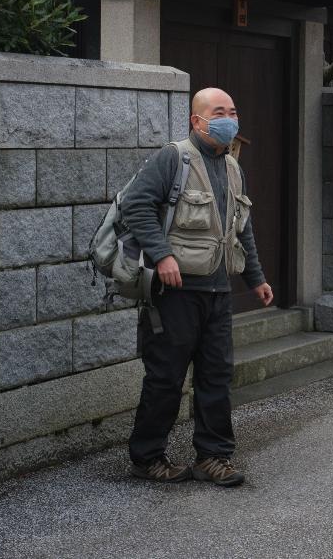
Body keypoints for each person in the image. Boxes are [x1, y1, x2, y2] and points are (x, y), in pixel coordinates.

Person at [121, 87, 273, 487]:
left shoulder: (233, 166)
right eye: (219, 112)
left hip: (218, 290)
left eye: (233, 110)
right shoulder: (173, 158)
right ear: (197, 121)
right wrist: (162, 254)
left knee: (217, 376)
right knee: (166, 377)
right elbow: (135, 204)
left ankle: (213, 456)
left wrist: (256, 279)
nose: (229, 119)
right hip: (174, 292)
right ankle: (147, 457)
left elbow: (241, 230)